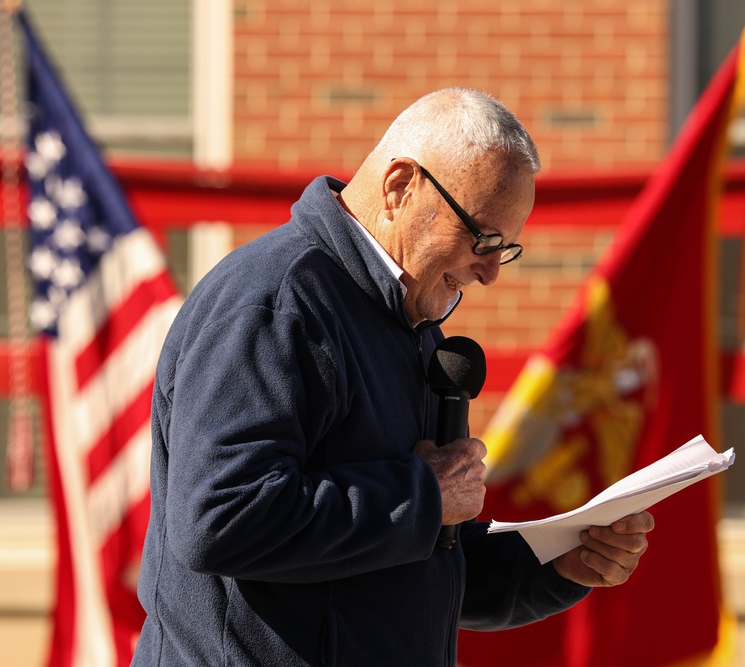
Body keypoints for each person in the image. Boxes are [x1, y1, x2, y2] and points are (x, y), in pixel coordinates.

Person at [132, 88, 654, 666]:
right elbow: (219, 517)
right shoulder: (274, 304)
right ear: (400, 186)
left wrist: (557, 565)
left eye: (504, 249)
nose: (489, 272)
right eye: (481, 237)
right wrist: (423, 495)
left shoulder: (408, 316)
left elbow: (408, 566)